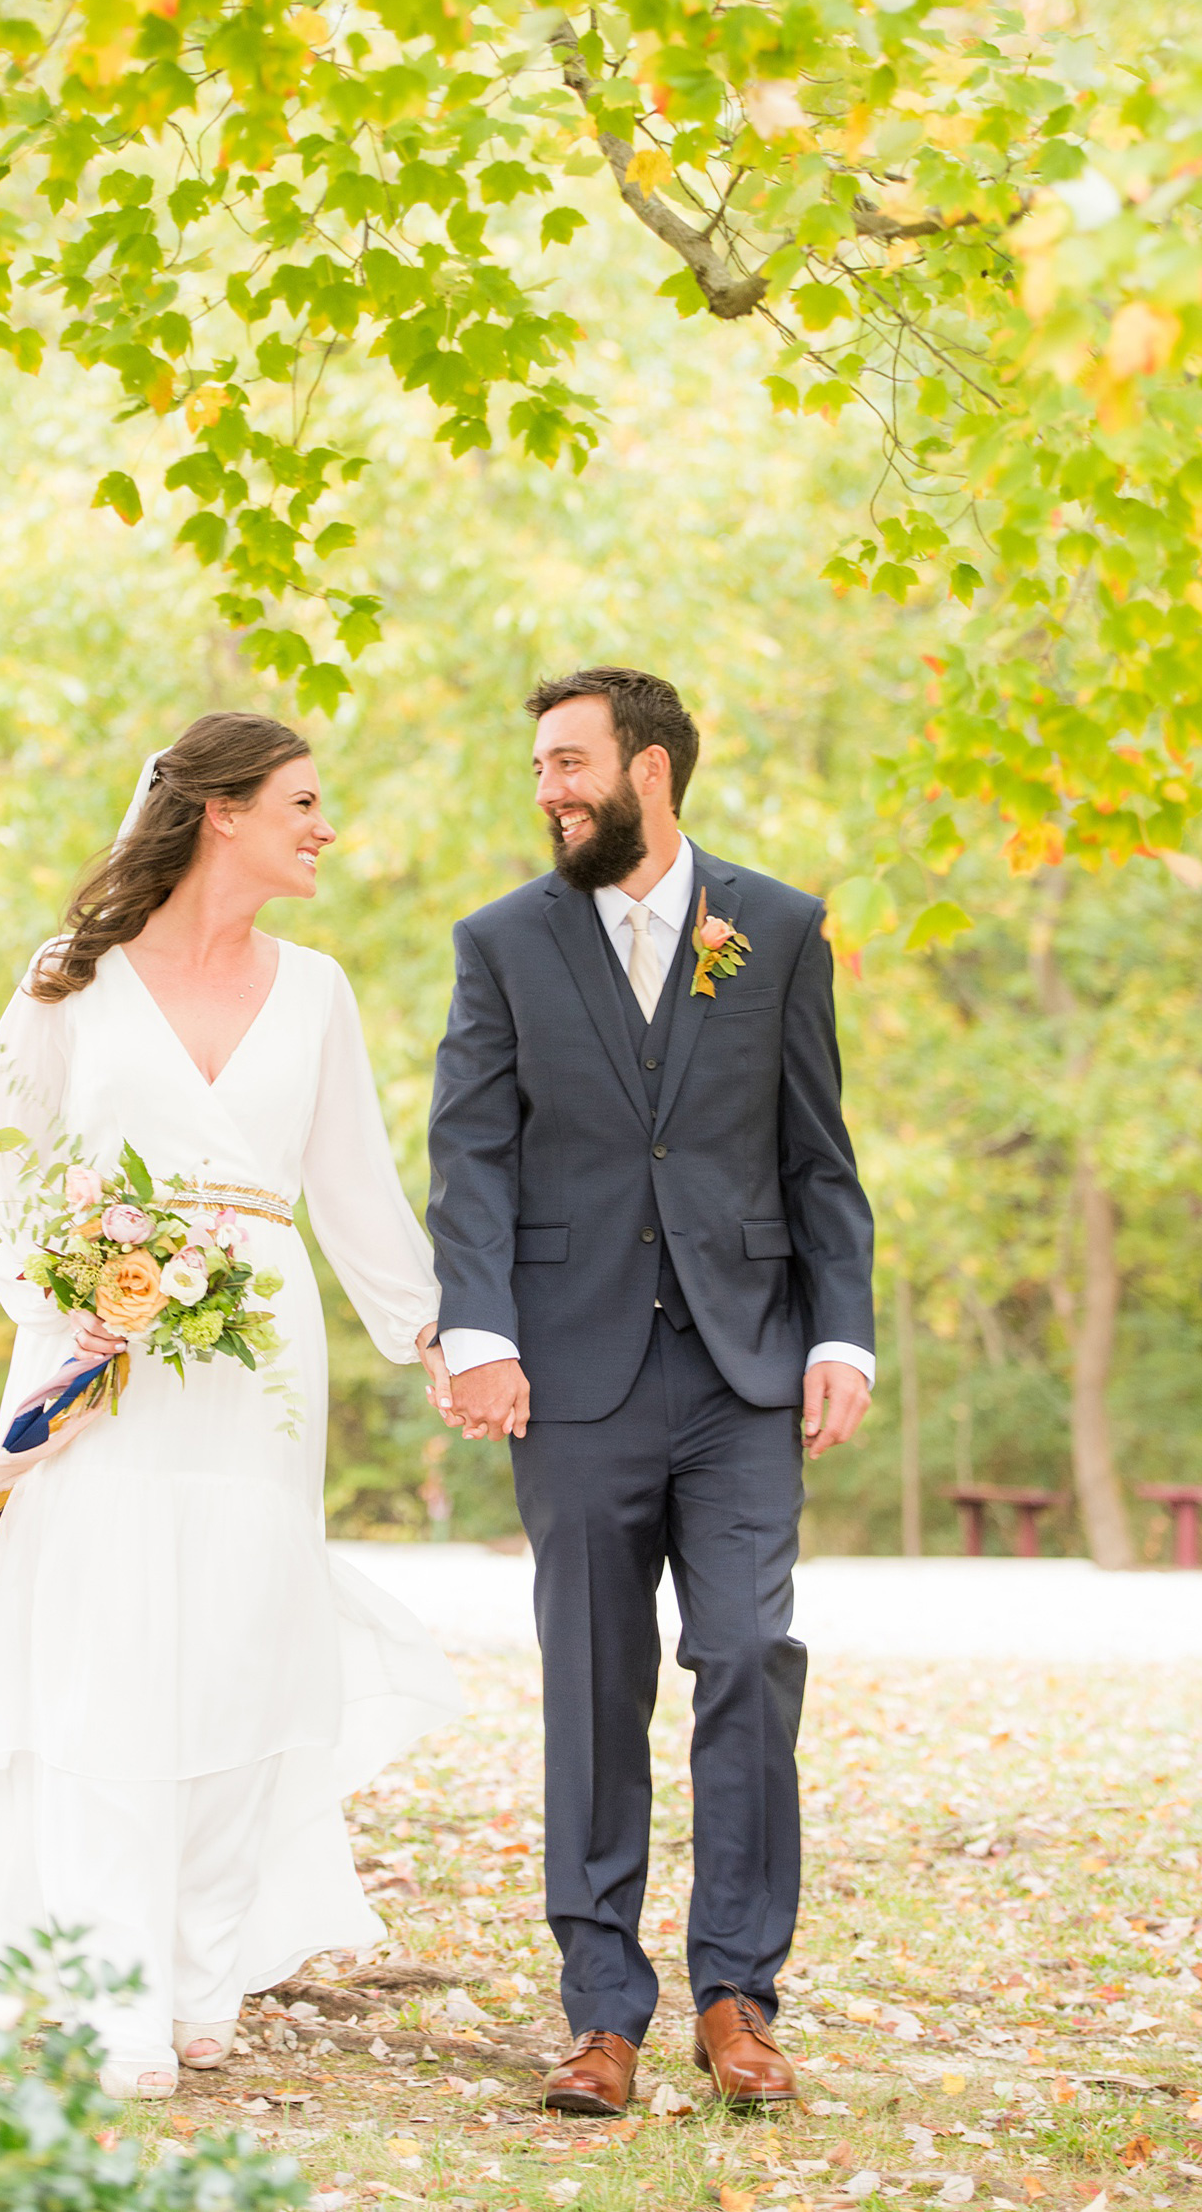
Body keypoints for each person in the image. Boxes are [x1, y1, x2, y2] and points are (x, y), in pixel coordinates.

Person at [0, 712, 461, 2099]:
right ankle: (106, 1982)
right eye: (304, 801)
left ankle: (200, 1968)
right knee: (105, 1643)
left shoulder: (319, 989)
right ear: (221, 810)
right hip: (106, 1357)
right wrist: (62, 1299)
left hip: (263, 1364)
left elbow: (354, 1185)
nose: (326, 827)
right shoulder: (69, 982)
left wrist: (437, 1337)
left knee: (237, 1644)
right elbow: (6, 1170)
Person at [427, 667, 874, 2116]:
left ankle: (737, 1994)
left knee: (747, 1657)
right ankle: (603, 2013)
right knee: (595, 1683)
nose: (549, 787)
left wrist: (841, 1334)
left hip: (745, 1366)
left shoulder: (779, 927)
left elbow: (819, 1154)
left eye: (570, 761)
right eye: (542, 764)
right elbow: (473, 1152)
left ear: (653, 768)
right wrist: (479, 1327)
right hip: (571, 1370)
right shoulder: (501, 943)